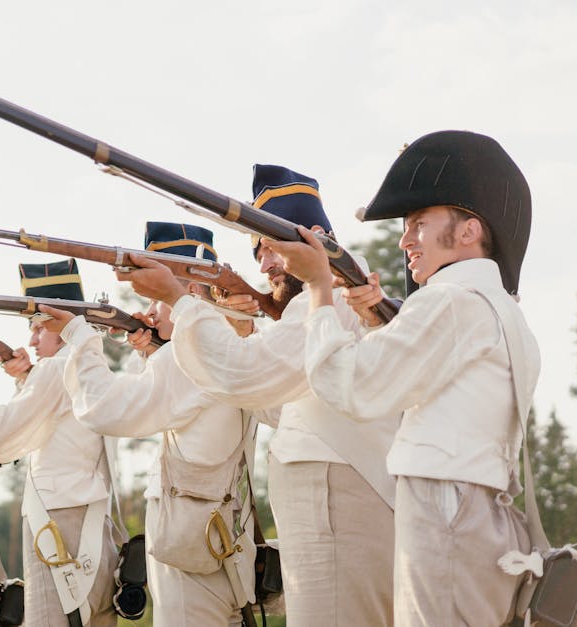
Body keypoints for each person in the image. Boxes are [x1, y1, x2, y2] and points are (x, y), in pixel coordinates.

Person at [266, 130, 539, 626]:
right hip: (478, 517)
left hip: (446, 519)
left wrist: (319, 288)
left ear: (468, 230)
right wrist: (375, 322)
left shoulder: (450, 301)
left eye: (419, 223)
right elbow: (420, 385)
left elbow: (349, 386)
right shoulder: (499, 310)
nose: (404, 240)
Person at [118, 166, 399, 626]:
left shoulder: (337, 297)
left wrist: (182, 301)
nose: (264, 265)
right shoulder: (326, 303)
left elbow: (246, 377)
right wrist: (234, 325)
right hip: (330, 508)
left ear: (315, 241)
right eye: (258, 252)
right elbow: (275, 405)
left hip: (339, 508)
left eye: (272, 248)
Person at [39, 222, 257, 626]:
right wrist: (151, 353)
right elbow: (176, 403)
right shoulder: (223, 347)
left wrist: (80, 338)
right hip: (216, 544)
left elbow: (104, 408)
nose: (152, 310)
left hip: (189, 550)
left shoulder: (187, 360)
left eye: (158, 295)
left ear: (190, 292)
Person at [0, 259, 118, 627]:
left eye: (38, 328)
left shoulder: (56, 369)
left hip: (60, 527)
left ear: (58, 321)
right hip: (92, 530)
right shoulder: (85, 365)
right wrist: (26, 380)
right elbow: (47, 427)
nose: (32, 340)